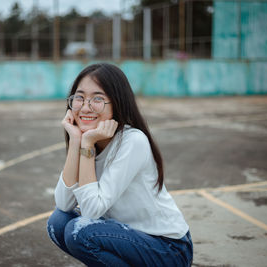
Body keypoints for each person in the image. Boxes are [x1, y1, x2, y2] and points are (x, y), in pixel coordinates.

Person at [46, 63, 193, 267]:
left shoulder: (133, 141)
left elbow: (91, 211)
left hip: (168, 249)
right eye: (79, 97)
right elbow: (63, 203)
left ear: (117, 103)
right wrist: (76, 141)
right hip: (127, 237)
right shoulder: (89, 139)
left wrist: (87, 143)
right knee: (58, 223)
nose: (86, 107)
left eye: (97, 99)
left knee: (79, 231)